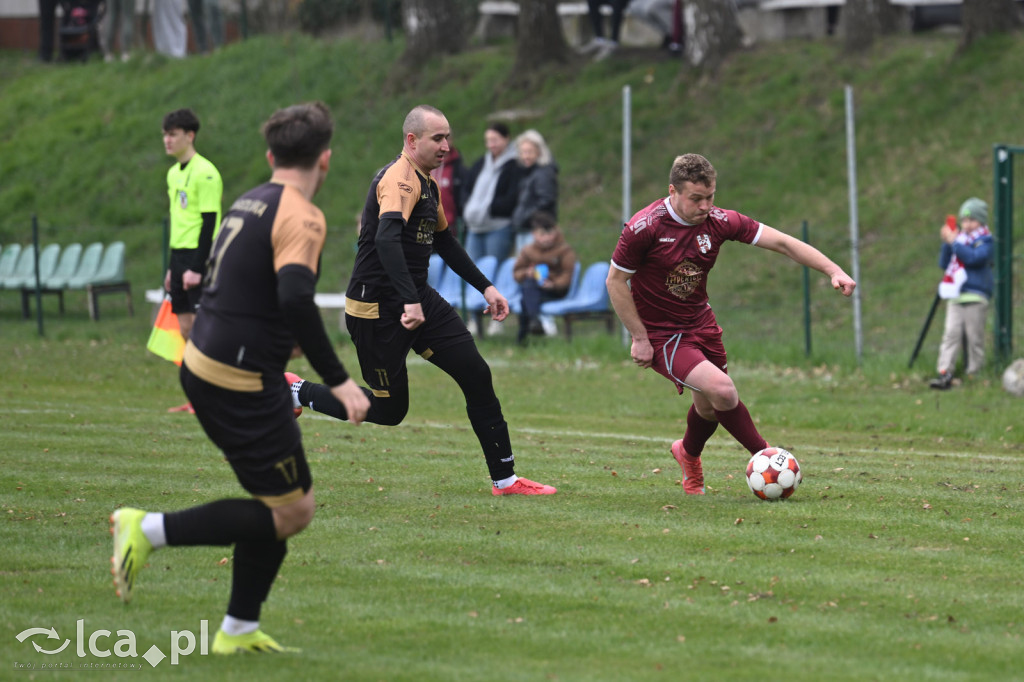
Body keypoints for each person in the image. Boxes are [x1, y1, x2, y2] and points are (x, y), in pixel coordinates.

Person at [110, 102, 369, 654]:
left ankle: (239, 630)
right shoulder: (303, 215)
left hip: (210, 360)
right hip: (238, 377)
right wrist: (340, 381)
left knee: (277, 505)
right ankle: (146, 529)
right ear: (326, 159)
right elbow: (297, 298)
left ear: (271, 155)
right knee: (293, 510)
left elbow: (250, 288)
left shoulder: (249, 199)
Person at [289, 104, 556, 497]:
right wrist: (408, 300)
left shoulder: (427, 182)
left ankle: (506, 480)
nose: (447, 145)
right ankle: (296, 392)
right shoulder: (399, 179)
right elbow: (385, 239)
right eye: (438, 138)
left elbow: (444, 241)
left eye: (448, 136)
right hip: (377, 309)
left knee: (476, 375)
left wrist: (487, 287)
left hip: (416, 300)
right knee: (388, 411)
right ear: (412, 141)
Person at [606, 153, 856, 495]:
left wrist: (833, 270)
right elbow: (615, 282)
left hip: (701, 323)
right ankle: (768, 459)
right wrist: (639, 337)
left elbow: (782, 242)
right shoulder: (644, 227)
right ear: (673, 192)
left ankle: (687, 453)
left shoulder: (721, 221)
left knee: (708, 406)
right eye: (696, 198)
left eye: (710, 196)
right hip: (662, 334)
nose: (705, 205)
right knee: (723, 390)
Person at [162, 108, 222, 412]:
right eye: (165, 134)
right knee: (186, 329)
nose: (167, 140)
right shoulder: (173, 174)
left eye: (173, 134)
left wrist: (198, 268)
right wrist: (172, 268)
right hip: (179, 257)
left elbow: (209, 223)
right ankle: (196, 397)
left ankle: (214, 394)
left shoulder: (206, 172)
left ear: (190, 135)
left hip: (199, 258)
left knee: (202, 330)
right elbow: (179, 222)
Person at [930, 197, 994, 390]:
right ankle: (944, 372)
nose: (967, 224)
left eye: (972, 220)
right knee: (951, 335)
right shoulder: (959, 241)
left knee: (974, 337)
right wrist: (947, 243)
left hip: (976, 296)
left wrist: (955, 243)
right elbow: (944, 263)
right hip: (956, 296)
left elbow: (974, 258)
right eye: (964, 220)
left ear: (981, 221)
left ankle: (975, 374)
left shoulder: (985, 241)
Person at [512, 211, 576, 345]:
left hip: (557, 290)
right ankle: (533, 324)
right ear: (533, 234)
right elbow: (516, 273)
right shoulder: (527, 250)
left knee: (527, 293)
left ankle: (524, 335)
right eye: (542, 234)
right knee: (528, 287)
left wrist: (553, 284)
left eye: (550, 233)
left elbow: (567, 275)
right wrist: (527, 273)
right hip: (535, 288)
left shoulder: (564, 250)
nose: (547, 238)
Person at [462, 122, 520, 264]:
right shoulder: (481, 163)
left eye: (495, 140)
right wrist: (466, 207)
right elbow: (467, 188)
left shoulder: (514, 165)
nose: (491, 145)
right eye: (488, 141)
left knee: (493, 269)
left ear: (506, 138)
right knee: (472, 269)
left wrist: (491, 208)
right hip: (474, 226)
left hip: (498, 226)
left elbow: (512, 196)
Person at [511, 129, 559, 254]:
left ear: (539, 151)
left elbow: (546, 200)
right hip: (525, 229)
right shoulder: (528, 172)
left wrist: (525, 217)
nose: (525, 156)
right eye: (522, 152)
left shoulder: (544, 173)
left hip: (537, 231)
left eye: (529, 152)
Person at [430, 138, 468, 241]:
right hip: (425, 229)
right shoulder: (423, 167)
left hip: (451, 229)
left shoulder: (459, 170)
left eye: (446, 138)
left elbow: (463, 199)